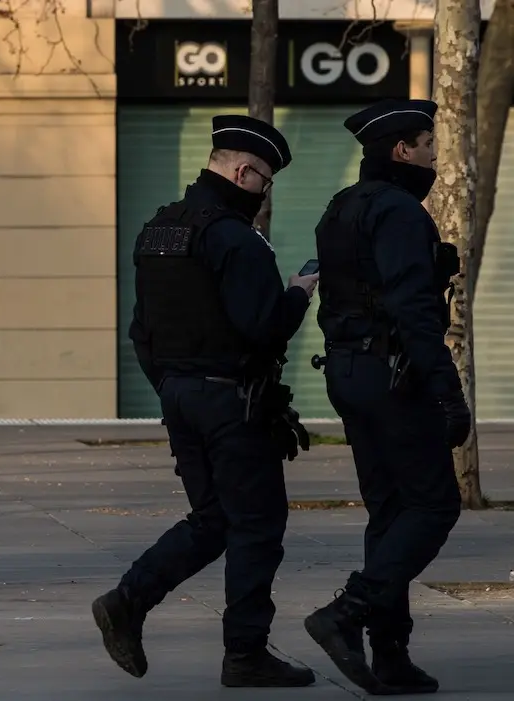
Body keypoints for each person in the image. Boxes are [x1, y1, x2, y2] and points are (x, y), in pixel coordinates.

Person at [92, 115, 319, 688]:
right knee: (257, 525)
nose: (264, 194)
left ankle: (128, 600)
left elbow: (141, 331)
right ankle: (245, 654)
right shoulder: (236, 239)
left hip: (180, 398)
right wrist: (298, 292)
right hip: (232, 404)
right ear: (244, 172)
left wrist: (170, 387)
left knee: (214, 518)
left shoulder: (158, 231)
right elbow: (264, 327)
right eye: (264, 181)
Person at [305, 99, 467, 695]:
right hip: (395, 377)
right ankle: (347, 613)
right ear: (402, 150)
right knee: (433, 506)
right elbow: (414, 315)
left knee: (392, 511)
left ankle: (390, 656)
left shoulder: (341, 208)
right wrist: (448, 395)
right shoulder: (400, 212)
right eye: (428, 145)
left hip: (351, 373)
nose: (433, 156)